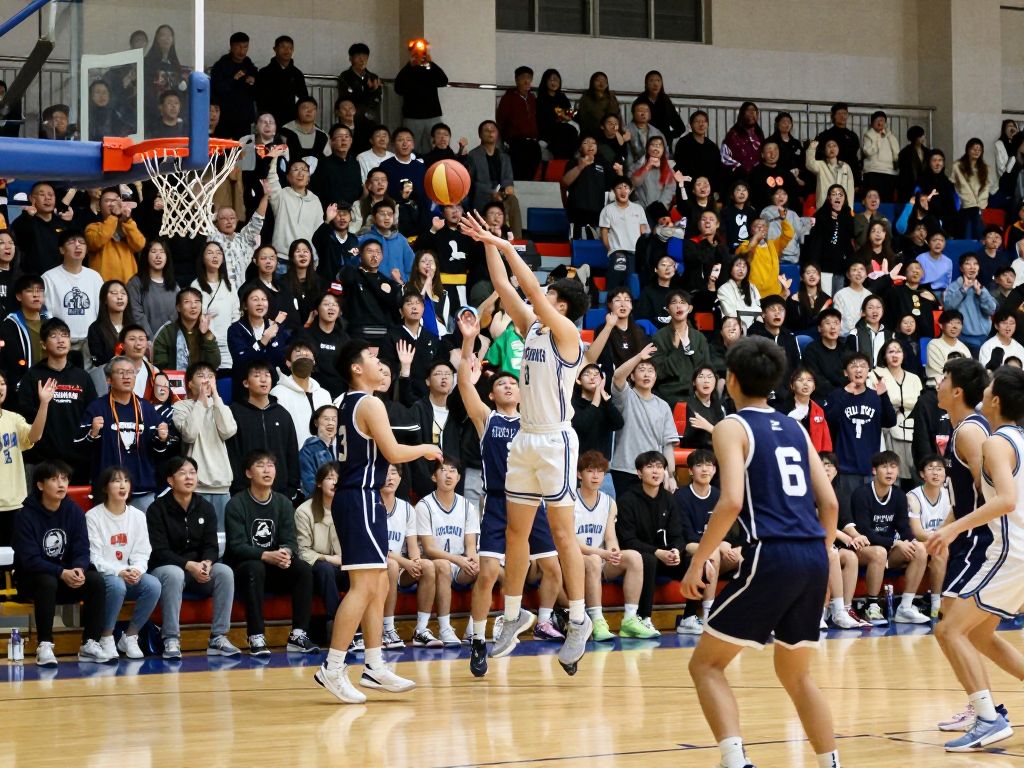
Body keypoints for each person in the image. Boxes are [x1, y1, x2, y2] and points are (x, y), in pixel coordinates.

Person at [682, 336, 839, 768]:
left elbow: (731, 500)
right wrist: (821, 557)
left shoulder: (732, 426)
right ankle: (831, 763)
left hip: (771, 553)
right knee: (796, 674)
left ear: (730, 379)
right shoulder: (796, 426)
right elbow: (830, 505)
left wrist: (700, 558)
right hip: (811, 554)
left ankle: (736, 762)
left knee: (706, 666)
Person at [457, 211, 593, 675]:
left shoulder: (569, 335)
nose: (541, 299)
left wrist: (506, 241)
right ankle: (512, 615)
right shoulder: (533, 327)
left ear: (562, 304)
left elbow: (530, 289)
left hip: (556, 440)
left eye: (551, 295)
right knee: (516, 532)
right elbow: (508, 286)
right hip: (524, 441)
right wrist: (486, 244)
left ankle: (578, 620)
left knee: (560, 535)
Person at [313, 340, 442, 704]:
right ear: (356, 368)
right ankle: (333, 667)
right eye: (372, 359)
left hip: (360, 497)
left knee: (379, 583)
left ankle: (374, 664)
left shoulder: (349, 402)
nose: (379, 364)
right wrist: (425, 448)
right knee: (365, 587)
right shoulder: (368, 403)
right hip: (360, 497)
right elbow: (393, 453)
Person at [456, 319, 564, 674]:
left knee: (553, 567)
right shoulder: (487, 419)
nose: (507, 386)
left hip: (535, 501)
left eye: (512, 382)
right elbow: (463, 386)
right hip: (500, 502)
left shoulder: (535, 422)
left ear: (521, 392)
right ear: (492, 393)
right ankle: (477, 640)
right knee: (487, 574)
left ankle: (547, 623)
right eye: (500, 383)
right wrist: (470, 343)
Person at [926, 365, 1024, 752]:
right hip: (1014, 549)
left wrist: (951, 529)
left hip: (1004, 548)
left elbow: (1003, 500)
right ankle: (985, 711)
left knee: (948, 629)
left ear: (995, 398)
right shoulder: (1015, 437)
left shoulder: (991, 439)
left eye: (990, 387)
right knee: (979, 633)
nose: (985, 389)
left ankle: (987, 717)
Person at [14, 461, 111, 666]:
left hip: (66, 580)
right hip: (32, 582)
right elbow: (29, 560)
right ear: (40, 485)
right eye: (54, 479)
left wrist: (78, 569)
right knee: (47, 581)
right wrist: (61, 572)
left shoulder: (74, 511)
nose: (61, 484)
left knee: (95, 581)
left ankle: (90, 643)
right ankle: (45, 645)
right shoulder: (25, 515)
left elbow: (82, 549)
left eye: (64, 479)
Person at [147, 456, 240, 660]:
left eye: (192, 472)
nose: (189, 477)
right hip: (166, 567)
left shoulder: (205, 507)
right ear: (170, 480)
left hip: (198, 568)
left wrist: (206, 563)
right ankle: (171, 637)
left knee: (224, 572)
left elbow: (211, 546)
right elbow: (159, 551)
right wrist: (189, 565)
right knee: (174, 574)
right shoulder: (157, 509)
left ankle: (218, 637)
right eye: (182, 473)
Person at [225, 449, 317, 656]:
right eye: (260, 465)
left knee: (302, 568)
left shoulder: (283, 503)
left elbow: (291, 541)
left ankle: (298, 635)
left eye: (270, 465)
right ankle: (256, 635)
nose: (267, 470)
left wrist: (285, 553)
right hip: (245, 569)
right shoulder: (236, 504)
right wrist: (266, 555)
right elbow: (236, 546)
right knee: (254, 567)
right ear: (248, 473)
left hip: (275, 567)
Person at [86, 465, 161, 660]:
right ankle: (106, 636)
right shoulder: (93, 516)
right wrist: (119, 572)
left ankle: (130, 636)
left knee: (153, 585)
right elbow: (95, 557)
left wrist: (136, 569)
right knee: (117, 585)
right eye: (116, 481)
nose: (122, 485)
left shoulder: (137, 516)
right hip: (104, 576)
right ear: (105, 487)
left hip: (128, 573)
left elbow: (143, 551)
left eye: (126, 481)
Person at [77, 356, 171, 509]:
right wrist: (93, 434)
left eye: (131, 372)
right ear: (108, 379)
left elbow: (159, 452)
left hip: (143, 490)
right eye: (121, 372)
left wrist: (162, 439)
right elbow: (79, 448)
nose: (126, 376)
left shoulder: (146, 408)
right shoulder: (96, 408)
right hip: (108, 490)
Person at [849, 451, 931, 624]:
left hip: (889, 550)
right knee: (879, 553)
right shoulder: (861, 494)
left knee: (920, 550)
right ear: (874, 471)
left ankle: (906, 607)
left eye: (893, 467)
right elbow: (865, 532)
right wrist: (895, 543)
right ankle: (871, 607)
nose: (889, 472)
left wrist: (912, 542)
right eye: (884, 467)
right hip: (863, 549)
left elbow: (904, 528)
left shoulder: (899, 496)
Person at [573, 450, 647, 641]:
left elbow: (610, 536)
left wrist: (613, 551)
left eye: (600, 471)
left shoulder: (609, 502)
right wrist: (601, 553)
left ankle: (630, 619)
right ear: (579, 474)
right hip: (575, 560)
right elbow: (569, 542)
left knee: (634, 557)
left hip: (600, 557)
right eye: (590, 471)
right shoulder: (569, 500)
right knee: (593, 560)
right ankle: (597, 619)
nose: (596, 476)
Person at [614, 451, 686, 640]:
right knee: (649, 559)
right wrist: (657, 552)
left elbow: (678, 534)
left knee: (694, 560)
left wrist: (676, 551)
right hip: (639, 558)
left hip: (664, 557)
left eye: (660, 467)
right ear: (639, 473)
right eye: (650, 467)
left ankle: (691, 617)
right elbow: (627, 541)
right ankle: (643, 617)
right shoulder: (627, 500)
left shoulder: (669, 499)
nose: (656, 471)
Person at [414, 458, 480, 646]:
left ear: (459, 477)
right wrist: (458, 560)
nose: (448, 474)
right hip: (433, 565)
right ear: (434, 477)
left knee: (485, 565)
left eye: (453, 470)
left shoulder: (468, 506)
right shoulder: (424, 506)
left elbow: (470, 546)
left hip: (459, 566)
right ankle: (444, 628)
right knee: (443, 565)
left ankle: (473, 628)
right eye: (443, 470)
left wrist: (473, 559)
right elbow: (428, 549)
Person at [824, 351, 897, 520]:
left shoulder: (875, 396)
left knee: (869, 514)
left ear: (868, 371)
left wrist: (884, 395)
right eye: (853, 366)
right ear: (845, 372)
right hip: (845, 467)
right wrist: (846, 394)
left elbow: (890, 421)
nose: (858, 370)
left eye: (863, 366)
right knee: (847, 515)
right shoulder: (837, 395)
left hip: (869, 467)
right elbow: (830, 420)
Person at [675, 450, 743, 628]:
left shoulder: (719, 495)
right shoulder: (681, 497)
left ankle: (748, 612)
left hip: (716, 550)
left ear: (715, 470)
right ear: (690, 471)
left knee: (746, 555)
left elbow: (729, 529)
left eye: (709, 465)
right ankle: (708, 614)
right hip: (689, 551)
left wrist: (727, 544)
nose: (705, 470)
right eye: (699, 465)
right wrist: (718, 545)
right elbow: (686, 535)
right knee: (712, 553)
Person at [172, 361, 237, 531]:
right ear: (190, 383)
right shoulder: (181, 407)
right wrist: (201, 401)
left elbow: (229, 431)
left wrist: (215, 396)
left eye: (210, 377)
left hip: (222, 483)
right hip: (195, 483)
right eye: (201, 376)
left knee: (222, 535)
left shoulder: (221, 406)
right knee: (197, 534)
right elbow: (189, 434)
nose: (206, 381)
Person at [609, 343, 679, 497]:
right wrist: (639, 356)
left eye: (650, 371)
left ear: (656, 376)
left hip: (653, 471)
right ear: (632, 376)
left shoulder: (663, 406)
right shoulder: (626, 396)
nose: (647, 374)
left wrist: (670, 475)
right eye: (641, 370)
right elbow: (618, 376)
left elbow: (667, 444)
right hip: (625, 469)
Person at [227, 359, 299, 497]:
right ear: (246, 383)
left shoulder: (282, 414)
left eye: (267, 375)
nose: (263, 379)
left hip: (280, 492)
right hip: (244, 493)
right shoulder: (234, 413)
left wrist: (292, 486)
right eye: (257, 375)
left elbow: (291, 452)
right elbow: (232, 453)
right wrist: (237, 487)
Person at [0, 371, 55, 545]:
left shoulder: (13, 419)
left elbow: (34, 436)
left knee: (13, 561)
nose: (0, 387)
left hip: (14, 504)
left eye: (2, 383)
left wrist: (44, 404)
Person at [295, 462, 346, 640]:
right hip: (317, 569)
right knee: (325, 569)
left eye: (338, 479)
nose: (334, 483)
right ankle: (336, 622)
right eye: (329, 478)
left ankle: (365, 629)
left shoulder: (348, 509)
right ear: (318, 483)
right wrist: (330, 559)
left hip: (343, 565)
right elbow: (303, 551)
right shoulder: (304, 511)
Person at [42, 229, 103, 366]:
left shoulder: (95, 277)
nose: (78, 245)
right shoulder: (49, 277)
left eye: (82, 242)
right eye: (71, 242)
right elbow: (46, 313)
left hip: (90, 342)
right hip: (62, 343)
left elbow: (101, 311)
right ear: (62, 250)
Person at [907, 454, 951, 619]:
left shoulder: (948, 494)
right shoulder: (913, 497)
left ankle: (936, 604)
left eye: (940, 469)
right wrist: (939, 539)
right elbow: (917, 532)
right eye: (931, 469)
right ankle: (933, 602)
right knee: (940, 549)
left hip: (939, 542)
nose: (936, 473)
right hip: (917, 543)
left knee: (943, 550)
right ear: (922, 474)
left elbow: (950, 525)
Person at [264, 149, 324, 269]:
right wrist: (274, 157)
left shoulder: (315, 200)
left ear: (309, 178)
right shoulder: (281, 195)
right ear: (288, 178)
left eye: (304, 170)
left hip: (306, 260)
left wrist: (315, 258)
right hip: (282, 259)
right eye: (295, 170)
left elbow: (319, 232)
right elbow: (271, 178)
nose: (300, 173)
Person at [271, 340, 331, 450]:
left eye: (307, 354)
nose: (303, 355)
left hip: (324, 459)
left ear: (314, 361)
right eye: (298, 354)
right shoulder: (277, 394)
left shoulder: (324, 394)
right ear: (288, 362)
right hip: (294, 458)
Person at [393, 41, 449, 155]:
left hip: (432, 115)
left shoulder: (430, 68)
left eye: (422, 53)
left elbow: (444, 81)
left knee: (434, 146)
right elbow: (398, 88)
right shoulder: (408, 70)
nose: (419, 56)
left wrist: (430, 63)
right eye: (416, 53)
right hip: (412, 116)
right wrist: (410, 65)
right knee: (411, 147)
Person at [84, 189, 146, 284]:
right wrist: (113, 216)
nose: (112, 204)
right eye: (107, 201)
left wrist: (128, 220)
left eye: (116, 201)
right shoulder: (93, 227)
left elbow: (139, 245)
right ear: (99, 207)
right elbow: (96, 243)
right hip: (103, 285)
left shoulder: (127, 225)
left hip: (129, 285)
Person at [152, 288, 221, 371]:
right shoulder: (167, 332)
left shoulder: (206, 330)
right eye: (187, 302)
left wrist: (206, 334)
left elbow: (214, 363)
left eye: (197, 301)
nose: (193, 306)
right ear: (178, 307)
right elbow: (160, 364)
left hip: (200, 381)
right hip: (174, 381)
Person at [943, 253, 997, 352]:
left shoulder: (982, 287)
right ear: (961, 268)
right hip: (963, 338)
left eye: (975, 264)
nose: (972, 267)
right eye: (968, 264)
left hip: (984, 337)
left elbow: (991, 310)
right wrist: (963, 290)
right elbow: (948, 308)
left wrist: (981, 293)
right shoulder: (954, 287)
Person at [209, 32, 258, 139]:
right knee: (225, 152)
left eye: (245, 47)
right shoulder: (220, 66)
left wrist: (253, 81)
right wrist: (234, 79)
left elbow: (257, 91)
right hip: (225, 119)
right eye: (238, 47)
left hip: (245, 119)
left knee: (243, 152)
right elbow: (217, 89)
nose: (242, 51)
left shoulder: (249, 65)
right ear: (231, 46)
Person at [496, 66, 541, 181]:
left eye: (529, 78)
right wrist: (506, 140)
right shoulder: (508, 98)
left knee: (531, 175)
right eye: (523, 78)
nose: (527, 81)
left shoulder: (532, 98)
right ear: (516, 80)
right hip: (517, 143)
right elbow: (501, 120)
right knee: (518, 176)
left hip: (533, 143)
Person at [255, 35, 309, 130]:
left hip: (291, 120)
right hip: (269, 121)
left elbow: (303, 97)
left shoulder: (297, 74)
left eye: (290, 48)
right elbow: (260, 99)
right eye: (283, 47)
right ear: (275, 49)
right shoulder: (264, 73)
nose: (286, 50)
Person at [127, 239, 177, 339]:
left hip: (171, 341)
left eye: (162, 252)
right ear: (146, 256)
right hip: (145, 343)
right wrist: (150, 339)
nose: (158, 256)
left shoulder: (174, 285)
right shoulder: (135, 283)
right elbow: (136, 315)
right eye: (153, 252)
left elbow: (177, 315)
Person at [951, 139, 990, 240]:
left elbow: (986, 187)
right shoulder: (957, 166)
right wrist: (970, 202)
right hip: (964, 206)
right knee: (967, 234)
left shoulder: (985, 168)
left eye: (979, 150)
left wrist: (980, 204)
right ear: (968, 149)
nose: (976, 151)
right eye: (974, 149)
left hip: (979, 207)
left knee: (979, 232)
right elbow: (960, 186)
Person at [299, 403, 340, 498]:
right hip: (319, 501)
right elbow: (308, 482)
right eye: (326, 419)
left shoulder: (345, 446)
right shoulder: (308, 450)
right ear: (316, 422)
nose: (331, 423)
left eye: (334, 419)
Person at [925, 309, 972, 388]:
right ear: (941, 325)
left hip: (960, 387)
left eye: (958, 323)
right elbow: (941, 371)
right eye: (950, 322)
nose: (955, 327)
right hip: (938, 386)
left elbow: (970, 370)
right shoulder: (934, 345)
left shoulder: (964, 347)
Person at [338, 43, 382, 125]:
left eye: (365, 56)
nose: (362, 59)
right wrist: (371, 90)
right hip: (351, 120)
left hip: (370, 120)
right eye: (358, 56)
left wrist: (374, 90)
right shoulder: (344, 76)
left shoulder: (373, 77)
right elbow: (348, 99)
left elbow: (377, 99)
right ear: (350, 58)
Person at [861, 111, 900, 200]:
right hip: (873, 171)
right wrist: (878, 138)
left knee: (887, 200)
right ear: (872, 123)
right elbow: (868, 152)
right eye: (877, 120)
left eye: (882, 120)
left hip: (889, 172)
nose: (880, 123)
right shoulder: (868, 135)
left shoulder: (891, 136)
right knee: (873, 199)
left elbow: (896, 153)